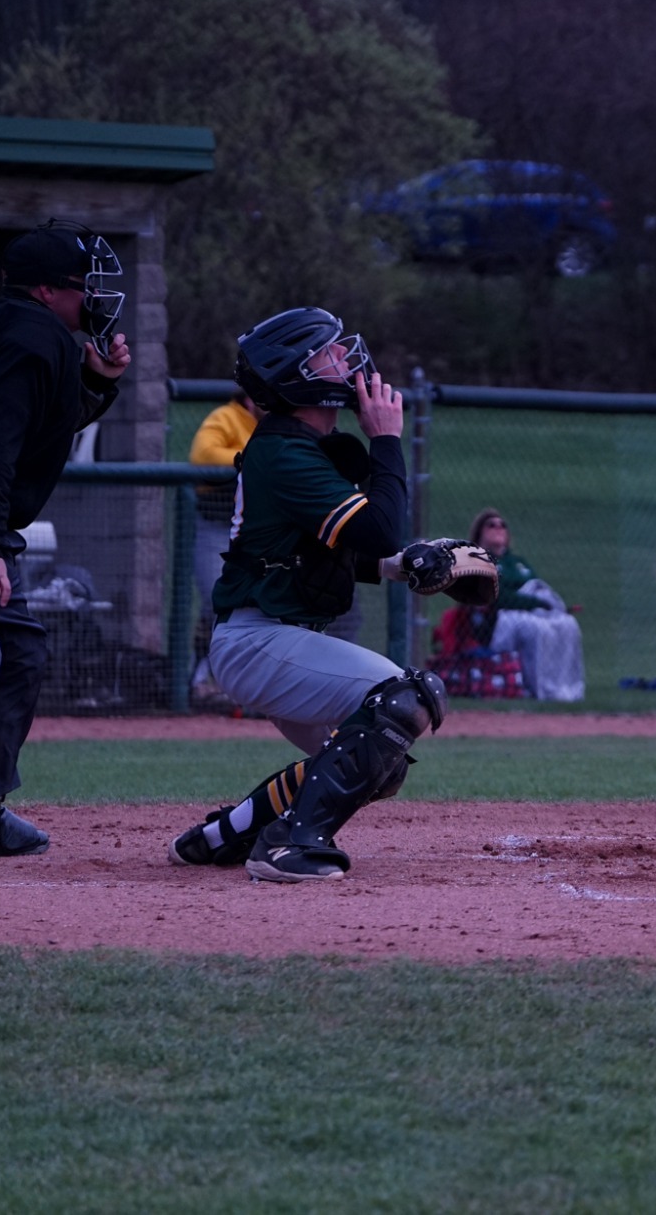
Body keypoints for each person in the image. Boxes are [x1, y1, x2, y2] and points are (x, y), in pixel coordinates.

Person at [165, 307, 456, 882]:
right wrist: (387, 441)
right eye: (328, 355)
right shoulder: (286, 451)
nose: (345, 361)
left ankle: (225, 835)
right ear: (299, 375)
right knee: (403, 698)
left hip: (273, 636)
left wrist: (404, 566)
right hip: (257, 638)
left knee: (381, 761)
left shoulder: (301, 445)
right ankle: (288, 847)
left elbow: (339, 551)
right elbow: (380, 528)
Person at [0, 219, 130, 857]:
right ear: (47, 292)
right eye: (81, 286)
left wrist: (96, 381)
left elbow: (47, 424)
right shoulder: (32, 335)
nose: (92, 298)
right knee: (7, 658)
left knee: (19, 653)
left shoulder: (26, 330)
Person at [187, 390, 262, 695]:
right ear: (250, 398)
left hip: (256, 534)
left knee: (254, 606)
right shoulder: (228, 417)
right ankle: (198, 678)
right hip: (216, 526)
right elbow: (202, 456)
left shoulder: (281, 424)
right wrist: (256, 457)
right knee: (217, 601)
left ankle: (228, 682)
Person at [468, 508, 585, 700]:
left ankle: (566, 690)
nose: (498, 528)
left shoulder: (518, 563)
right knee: (537, 629)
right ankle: (538, 689)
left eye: (502, 525)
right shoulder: (477, 561)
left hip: (528, 611)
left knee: (567, 625)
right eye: (491, 525)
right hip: (498, 619)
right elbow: (497, 597)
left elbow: (535, 587)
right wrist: (535, 603)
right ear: (479, 533)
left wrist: (549, 604)